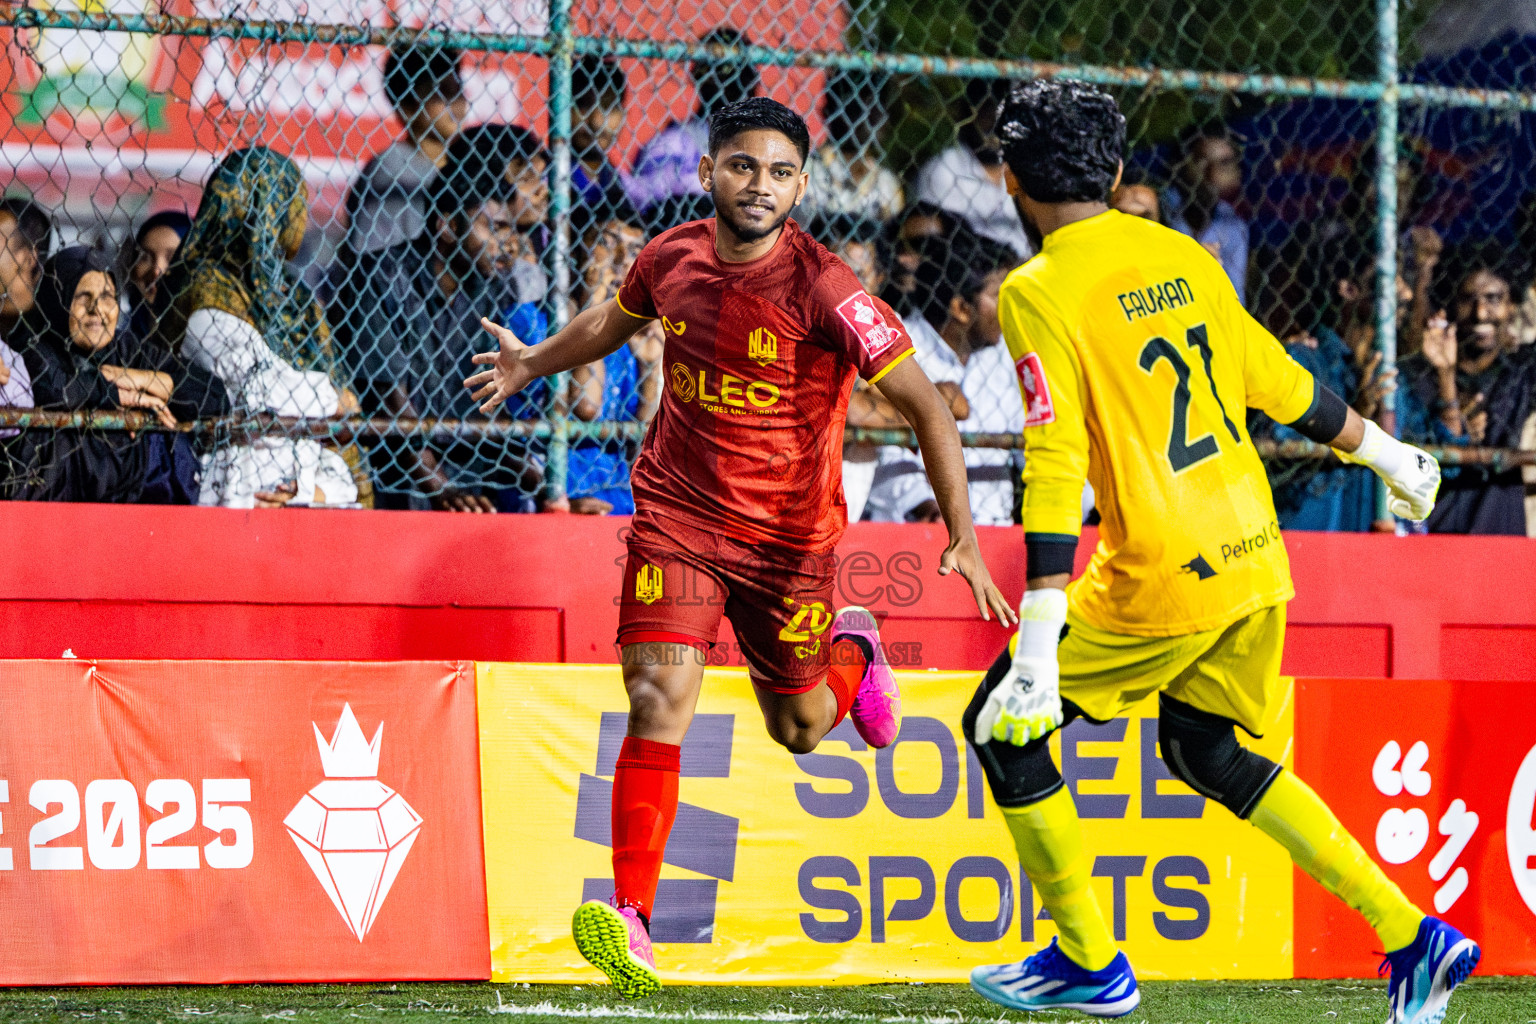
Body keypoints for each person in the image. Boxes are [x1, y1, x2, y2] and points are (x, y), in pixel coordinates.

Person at [465, 96, 1015, 995]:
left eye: (780, 172)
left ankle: (855, 655)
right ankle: (633, 920)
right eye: (743, 166)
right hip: (678, 516)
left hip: (788, 545)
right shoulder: (669, 255)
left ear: (801, 184)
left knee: (800, 728)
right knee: (656, 694)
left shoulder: (828, 286)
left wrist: (963, 535)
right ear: (708, 170)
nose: (759, 185)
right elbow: (616, 319)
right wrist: (533, 362)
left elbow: (924, 407)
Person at [961, 80, 1470, 1024]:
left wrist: (1036, 643)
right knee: (1206, 750)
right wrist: (1393, 453)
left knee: (1001, 725)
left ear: (1007, 180)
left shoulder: (1037, 288)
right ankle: (1412, 935)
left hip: (1161, 570)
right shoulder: (1179, 252)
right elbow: (1274, 376)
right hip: (1253, 554)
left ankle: (1088, 961)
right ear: (1116, 174)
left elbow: (1053, 455)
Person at [331, 127, 546, 512]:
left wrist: (552, 490)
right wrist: (441, 489)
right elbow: (388, 401)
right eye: (493, 229)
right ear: (446, 227)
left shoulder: (491, 289)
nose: (506, 244)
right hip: (389, 472)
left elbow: (487, 403)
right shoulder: (380, 278)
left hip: (462, 466)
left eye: (509, 230)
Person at [155, 147, 367, 509]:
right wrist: (331, 398)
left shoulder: (291, 294)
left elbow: (343, 417)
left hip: (311, 482)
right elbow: (256, 388)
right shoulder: (203, 283)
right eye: (293, 200)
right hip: (233, 485)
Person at [10, 247, 222, 503]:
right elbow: (55, 389)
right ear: (57, 300)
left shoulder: (125, 349)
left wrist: (143, 380)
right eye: (82, 296)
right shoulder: (33, 343)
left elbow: (215, 397)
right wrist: (124, 396)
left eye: (107, 296)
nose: (97, 309)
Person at [866, 228, 1022, 526]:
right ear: (961, 308)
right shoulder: (893, 347)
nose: (1011, 305)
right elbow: (885, 454)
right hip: (915, 529)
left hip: (997, 529)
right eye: (1000, 294)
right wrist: (924, 505)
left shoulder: (1005, 354)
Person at [1398, 266, 1534, 534]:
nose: (1480, 312)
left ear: (1512, 307)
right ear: (1450, 304)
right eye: (1468, 299)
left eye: (1494, 299)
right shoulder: (1419, 375)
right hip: (1436, 534)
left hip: (1500, 537)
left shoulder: (1520, 376)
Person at [566, 206, 661, 515]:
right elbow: (586, 406)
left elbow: (645, 447)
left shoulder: (629, 332)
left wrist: (650, 365)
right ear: (579, 250)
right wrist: (592, 301)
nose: (622, 259)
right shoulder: (541, 318)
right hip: (560, 483)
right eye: (607, 243)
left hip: (618, 487)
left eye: (634, 250)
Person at [626, 26, 760, 234]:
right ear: (700, 80)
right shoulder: (671, 144)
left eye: (740, 76)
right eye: (721, 76)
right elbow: (648, 205)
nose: (733, 88)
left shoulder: (772, 147)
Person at [344, 43, 466, 256]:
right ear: (407, 108)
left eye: (458, 91)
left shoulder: (462, 167)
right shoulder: (391, 170)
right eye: (442, 93)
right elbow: (372, 266)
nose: (455, 103)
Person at [914, 78, 1032, 260]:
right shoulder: (944, 170)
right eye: (988, 115)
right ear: (967, 115)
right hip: (969, 278)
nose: (996, 126)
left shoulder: (1026, 169)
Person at [798, 71, 904, 234]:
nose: (868, 115)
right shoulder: (805, 172)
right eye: (857, 104)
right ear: (830, 111)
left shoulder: (886, 184)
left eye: (876, 104)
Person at [1163, 122, 1250, 303]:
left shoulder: (1233, 226)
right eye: (1202, 161)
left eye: (1224, 163)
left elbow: (1235, 299)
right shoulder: (1158, 206)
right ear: (1181, 164)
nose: (1213, 173)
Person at [571, 54, 634, 226]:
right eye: (583, 105)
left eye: (608, 107)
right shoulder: (546, 180)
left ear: (622, 115)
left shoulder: (621, 183)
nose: (596, 122)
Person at [123, 210, 192, 340]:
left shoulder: (210, 335)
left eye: (173, 258)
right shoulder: (118, 330)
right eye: (145, 257)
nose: (156, 270)